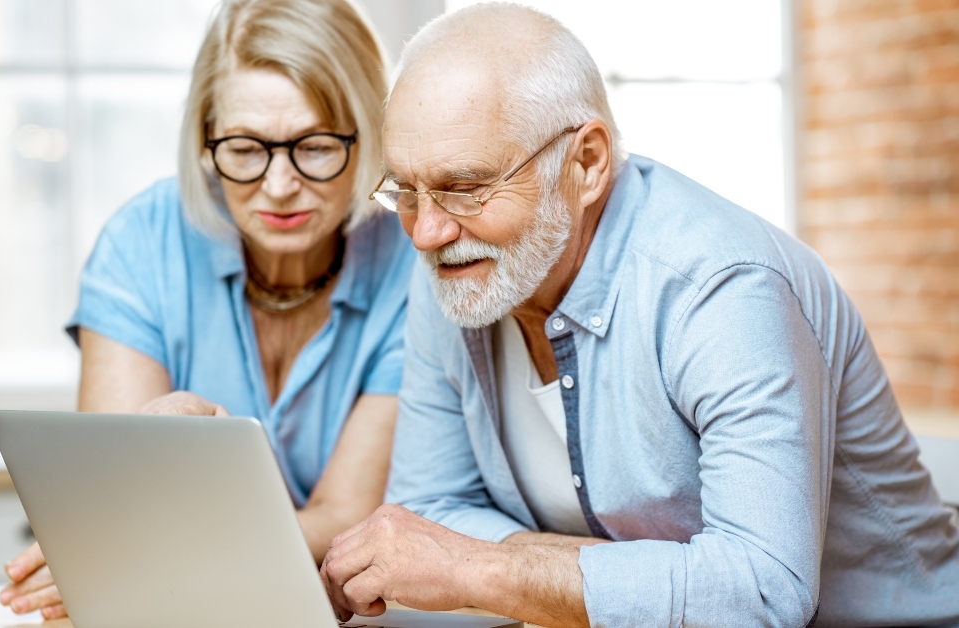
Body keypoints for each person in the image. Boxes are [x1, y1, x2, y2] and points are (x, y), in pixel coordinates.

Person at [320, 4, 959, 627]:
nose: (426, 232)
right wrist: (620, 579)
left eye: (465, 188)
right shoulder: (459, 264)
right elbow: (433, 508)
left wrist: (484, 569)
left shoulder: (723, 286)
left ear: (587, 163)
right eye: (406, 191)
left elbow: (763, 591)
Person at [0, 0, 416, 619]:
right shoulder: (141, 243)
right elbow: (120, 506)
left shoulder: (410, 261)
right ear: (204, 140)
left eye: (316, 145)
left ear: (370, 135)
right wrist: (126, 541)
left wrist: (141, 554)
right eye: (244, 149)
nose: (279, 186)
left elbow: (346, 520)